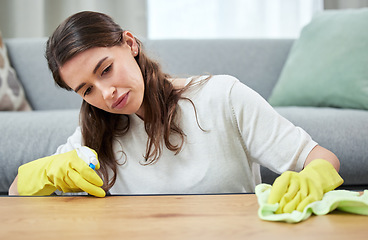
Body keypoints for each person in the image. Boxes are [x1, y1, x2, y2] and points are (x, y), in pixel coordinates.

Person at [8, 11, 343, 214]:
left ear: (130, 44)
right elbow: (14, 191)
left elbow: (320, 157)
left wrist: (314, 176)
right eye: (86, 90)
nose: (105, 94)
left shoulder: (222, 96)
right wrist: (47, 172)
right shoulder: (95, 132)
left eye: (106, 69)